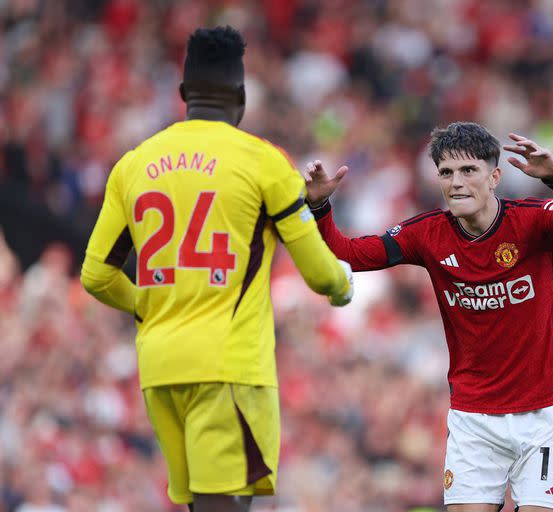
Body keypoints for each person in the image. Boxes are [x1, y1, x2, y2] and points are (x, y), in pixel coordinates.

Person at [80, 26, 353, 512]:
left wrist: (146, 305)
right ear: (242, 98)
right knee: (223, 506)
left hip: (160, 368)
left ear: (183, 95)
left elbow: (97, 274)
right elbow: (319, 274)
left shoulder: (132, 164)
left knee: (202, 504)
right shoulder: (264, 162)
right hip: (228, 367)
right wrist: (342, 288)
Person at [304, 122, 553, 512]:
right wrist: (319, 208)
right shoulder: (428, 234)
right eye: (446, 173)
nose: (456, 182)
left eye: (469, 171)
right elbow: (348, 253)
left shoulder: (533, 223)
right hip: (474, 417)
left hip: (543, 413)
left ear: (495, 176)